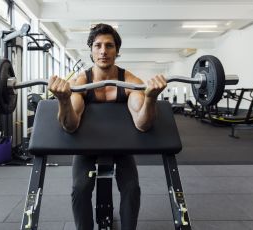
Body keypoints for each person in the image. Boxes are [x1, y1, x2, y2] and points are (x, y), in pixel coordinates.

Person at [48, 23, 167, 230]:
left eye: (109, 46)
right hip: (86, 145)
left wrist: (150, 98)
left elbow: (142, 124)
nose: (103, 51)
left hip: (121, 145)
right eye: (98, 45)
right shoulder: (81, 82)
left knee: (132, 189)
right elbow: (70, 126)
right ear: (91, 51)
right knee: (80, 188)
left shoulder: (131, 82)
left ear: (117, 51)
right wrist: (64, 100)